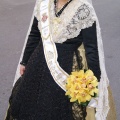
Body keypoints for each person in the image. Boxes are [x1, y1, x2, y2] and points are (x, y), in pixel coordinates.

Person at [5, 0, 116, 119]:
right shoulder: (43, 4)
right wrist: (24, 61)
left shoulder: (84, 9)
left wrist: (94, 80)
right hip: (38, 64)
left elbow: (91, 48)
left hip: (68, 68)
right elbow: (34, 35)